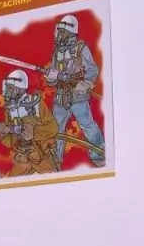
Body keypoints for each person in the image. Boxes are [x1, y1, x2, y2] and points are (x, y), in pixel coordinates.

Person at [43, 14, 106, 167]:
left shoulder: (80, 49)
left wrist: (86, 83)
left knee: (88, 126)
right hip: (61, 97)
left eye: (63, 32)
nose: (60, 34)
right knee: (55, 129)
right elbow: (53, 75)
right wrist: (51, 77)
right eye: (59, 31)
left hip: (78, 97)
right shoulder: (57, 51)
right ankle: (55, 161)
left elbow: (92, 69)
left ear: (71, 32)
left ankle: (99, 155)